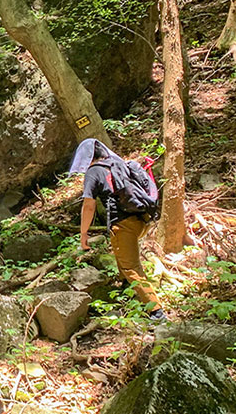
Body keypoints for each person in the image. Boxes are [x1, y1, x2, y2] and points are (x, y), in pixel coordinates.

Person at [71, 138, 167, 322]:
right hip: (142, 219)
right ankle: (127, 290)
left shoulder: (93, 172)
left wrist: (83, 234)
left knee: (131, 267)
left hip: (123, 225)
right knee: (123, 257)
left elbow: (89, 206)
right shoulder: (117, 163)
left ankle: (156, 311)